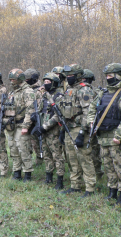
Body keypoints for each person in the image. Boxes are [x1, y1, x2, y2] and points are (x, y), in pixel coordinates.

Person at [43, 64, 96, 197]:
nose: (69, 78)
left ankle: (90, 188)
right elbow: (64, 111)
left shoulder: (84, 90)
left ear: (78, 76)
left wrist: (83, 132)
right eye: (68, 76)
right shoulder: (69, 90)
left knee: (84, 159)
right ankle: (75, 185)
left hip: (79, 129)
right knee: (71, 159)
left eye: (72, 76)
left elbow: (88, 113)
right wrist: (62, 130)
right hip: (68, 128)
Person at [87, 63, 121, 205]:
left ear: (118, 76)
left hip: (116, 137)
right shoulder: (102, 93)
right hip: (103, 136)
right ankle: (112, 190)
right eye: (106, 76)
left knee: (120, 166)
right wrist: (91, 122)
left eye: (110, 76)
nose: (108, 78)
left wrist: (119, 135)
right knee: (108, 165)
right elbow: (92, 109)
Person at [33, 72, 65, 189]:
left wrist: (45, 126)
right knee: (46, 154)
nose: (45, 84)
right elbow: (41, 111)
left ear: (54, 83)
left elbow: (58, 116)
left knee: (57, 156)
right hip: (43, 130)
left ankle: (60, 180)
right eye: (44, 82)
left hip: (54, 131)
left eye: (48, 82)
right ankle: (49, 177)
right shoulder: (44, 96)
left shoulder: (59, 96)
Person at [2, 69, 35, 182]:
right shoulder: (13, 92)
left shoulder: (27, 91)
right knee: (13, 149)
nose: (11, 82)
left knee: (23, 149)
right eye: (10, 79)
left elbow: (30, 110)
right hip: (11, 125)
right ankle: (17, 172)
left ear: (19, 79)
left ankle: (27, 174)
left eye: (13, 79)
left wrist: (26, 126)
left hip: (21, 125)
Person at [83, 69, 104, 180]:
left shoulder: (94, 92)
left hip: (94, 125)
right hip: (90, 123)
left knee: (94, 151)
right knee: (92, 151)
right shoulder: (95, 91)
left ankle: (98, 173)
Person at [24, 68, 44, 167]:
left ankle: (40, 161)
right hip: (26, 120)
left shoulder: (39, 90)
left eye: (28, 79)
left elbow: (41, 105)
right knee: (28, 142)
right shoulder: (26, 90)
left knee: (37, 142)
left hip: (37, 120)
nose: (26, 81)